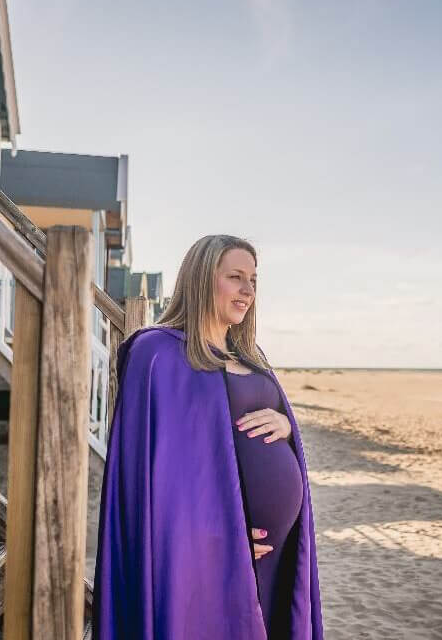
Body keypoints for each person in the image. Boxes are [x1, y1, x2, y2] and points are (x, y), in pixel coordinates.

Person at [92, 235, 323, 639]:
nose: (248, 290)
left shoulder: (250, 355)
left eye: (253, 280)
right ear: (202, 280)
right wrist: (220, 541)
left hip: (276, 553)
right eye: (235, 277)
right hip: (209, 557)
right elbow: (161, 481)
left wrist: (287, 427)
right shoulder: (158, 355)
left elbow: (266, 425)